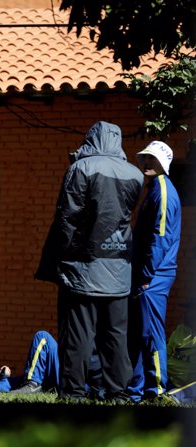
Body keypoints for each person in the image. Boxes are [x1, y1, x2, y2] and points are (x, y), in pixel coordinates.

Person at [35, 121, 143, 401]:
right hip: (120, 271)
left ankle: (73, 393)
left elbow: (67, 219)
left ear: (92, 138)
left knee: (78, 337)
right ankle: (118, 393)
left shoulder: (81, 168)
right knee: (116, 338)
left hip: (83, 269)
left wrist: (59, 260)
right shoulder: (135, 174)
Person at [127, 141, 182, 403]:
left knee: (151, 333)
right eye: (145, 158)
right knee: (140, 334)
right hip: (149, 276)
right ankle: (137, 390)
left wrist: (146, 277)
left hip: (154, 277)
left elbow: (159, 238)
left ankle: (157, 389)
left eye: (151, 158)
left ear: (163, 163)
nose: (146, 162)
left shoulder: (162, 189)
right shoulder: (154, 189)